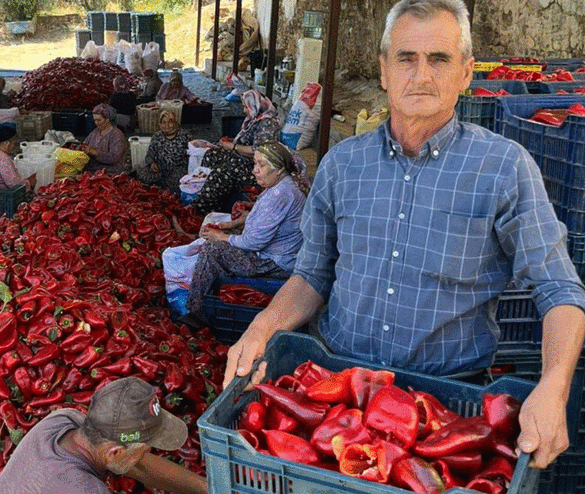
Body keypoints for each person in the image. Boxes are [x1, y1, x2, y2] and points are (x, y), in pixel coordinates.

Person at [224, 0, 585, 471]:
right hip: (339, 393)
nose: (421, 74)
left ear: (466, 73)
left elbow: (559, 288)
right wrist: (261, 328)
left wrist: (553, 388)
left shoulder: (503, 168)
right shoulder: (342, 166)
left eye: (439, 59)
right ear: (384, 71)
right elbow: (311, 277)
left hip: (448, 405)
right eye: (406, 58)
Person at [0, 377, 207, 494]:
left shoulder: (63, 420)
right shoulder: (85, 489)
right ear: (114, 452)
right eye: (148, 447)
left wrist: (207, 488)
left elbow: (135, 463)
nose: (149, 452)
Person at [184, 141, 308, 317]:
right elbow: (266, 220)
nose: (254, 170)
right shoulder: (282, 185)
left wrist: (222, 236)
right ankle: (217, 295)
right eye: (255, 163)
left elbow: (253, 242)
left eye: (261, 165)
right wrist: (232, 225)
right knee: (222, 239)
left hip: (275, 263)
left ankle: (196, 312)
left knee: (211, 249)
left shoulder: (280, 194)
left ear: (279, 169)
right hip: (276, 254)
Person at [190, 89, 281, 214]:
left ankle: (200, 209)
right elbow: (246, 140)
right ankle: (212, 201)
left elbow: (258, 151)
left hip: (256, 166)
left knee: (222, 172)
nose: (244, 111)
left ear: (256, 105)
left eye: (246, 107)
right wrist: (230, 142)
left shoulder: (267, 123)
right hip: (242, 158)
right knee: (210, 155)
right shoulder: (254, 119)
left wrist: (232, 146)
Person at [136, 110, 192, 190]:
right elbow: (149, 155)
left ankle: (163, 186)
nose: (167, 125)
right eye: (163, 122)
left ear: (175, 123)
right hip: (160, 168)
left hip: (178, 168)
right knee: (143, 176)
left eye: (170, 122)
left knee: (175, 182)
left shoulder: (185, 136)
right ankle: (159, 185)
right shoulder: (157, 136)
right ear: (160, 124)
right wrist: (152, 164)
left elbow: (192, 154)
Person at [83, 103, 127, 174]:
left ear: (107, 119)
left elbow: (114, 158)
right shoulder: (95, 132)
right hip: (93, 170)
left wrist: (95, 153)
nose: (96, 123)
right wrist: (81, 148)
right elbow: (85, 143)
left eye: (99, 120)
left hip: (110, 172)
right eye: (95, 120)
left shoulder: (116, 135)